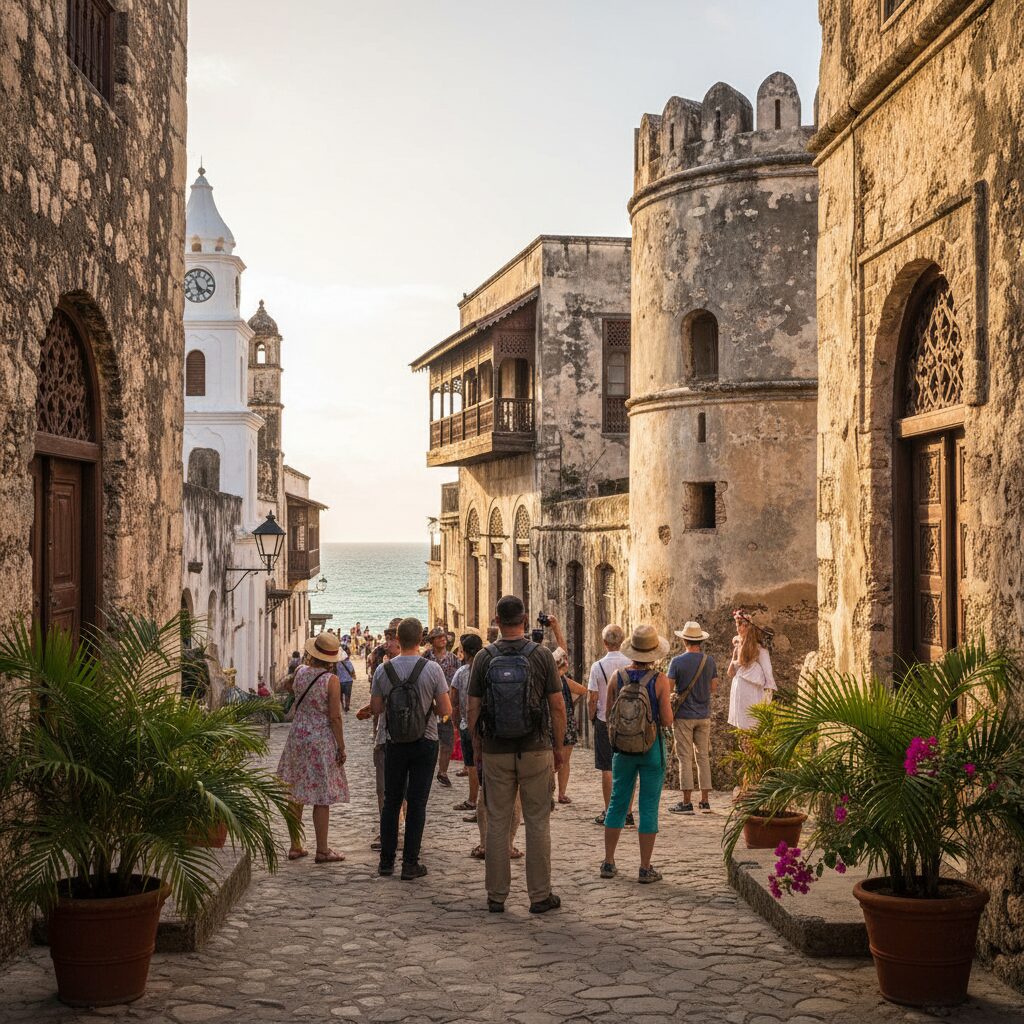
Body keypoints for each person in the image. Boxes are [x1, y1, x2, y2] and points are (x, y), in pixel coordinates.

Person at [468, 594, 565, 915]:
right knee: (537, 822)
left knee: (497, 820)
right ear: (524, 620)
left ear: (497, 621)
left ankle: (496, 895)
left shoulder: (483, 657)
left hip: (496, 750)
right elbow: (557, 705)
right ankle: (539, 896)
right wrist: (559, 748)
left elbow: (472, 709)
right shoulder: (541, 656)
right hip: (535, 749)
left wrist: (478, 748)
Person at [370, 616, 452, 880]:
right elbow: (446, 710)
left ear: (398, 639)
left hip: (393, 741)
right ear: (421, 640)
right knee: (417, 803)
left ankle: (386, 862)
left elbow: (376, 708)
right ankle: (410, 864)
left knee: (392, 801)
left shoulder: (384, 670)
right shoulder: (432, 669)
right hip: (425, 741)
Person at [601, 624, 673, 884]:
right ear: (654, 653)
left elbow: (609, 714)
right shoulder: (660, 680)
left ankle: (609, 862)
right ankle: (645, 868)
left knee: (617, 803)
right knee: (649, 806)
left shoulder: (616, 677)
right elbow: (666, 720)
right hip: (651, 749)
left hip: (623, 750)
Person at [276, 631, 349, 864]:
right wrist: (341, 746)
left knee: (295, 791)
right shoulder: (331, 680)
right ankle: (322, 849)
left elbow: (286, 687)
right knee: (321, 795)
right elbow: (335, 717)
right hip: (320, 741)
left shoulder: (299, 672)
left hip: (298, 736)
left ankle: (295, 845)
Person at [668, 620, 719, 814]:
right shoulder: (709, 661)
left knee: (684, 757)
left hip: (683, 715)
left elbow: (669, 687)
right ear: (700, 641)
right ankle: (705, 801)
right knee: (703, 756)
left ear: (684, 641)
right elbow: (713, 688)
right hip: (703, 714)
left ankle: (686, 802)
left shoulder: (677, 662)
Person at [587, 624, 632, 826]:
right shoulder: (631, 663)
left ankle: (610, 811)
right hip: (628, 721)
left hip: (605, 720)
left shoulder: (598, 666)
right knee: (629, 766)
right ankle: (628, 812)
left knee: (607, 767)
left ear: (604, 643)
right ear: (622, 641)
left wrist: (592, 716)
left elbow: (592, 697)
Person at [727, 609, 776, 729]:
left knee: (753, 725)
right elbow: (730, 673)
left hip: (753, 694)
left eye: (740, 626)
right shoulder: (738, 649)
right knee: (742, 727)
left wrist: (767, 698)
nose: (738, 629)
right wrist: (734, 656)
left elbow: (768, 675)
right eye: (736, 626)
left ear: (747, 627)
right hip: (739, 693)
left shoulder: (759, 650)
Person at [423, 626, 460, 788]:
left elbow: (457, 682)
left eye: (444, 637)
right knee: (428, 738)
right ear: (432, 642)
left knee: (447, 739)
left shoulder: (453, 659)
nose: (443, 639)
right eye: (438, 637)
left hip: (446, 704)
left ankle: (443, 772)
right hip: (428, 704)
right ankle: (427, 770)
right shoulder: (425, 658)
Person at [551, 647, 588, 804]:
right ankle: (561, 794)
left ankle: (549, 794)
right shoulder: (564, 681)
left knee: (551, 762)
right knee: (564, 762)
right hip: (567, 723)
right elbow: (582, 690)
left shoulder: (550, 680)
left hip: (551, 723)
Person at [450, 633, 481, 814]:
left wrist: (455, 722)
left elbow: (453, 701)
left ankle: (472, 800)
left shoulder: (461, 673)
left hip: (466, 725)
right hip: (486, 726)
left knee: (471, 764)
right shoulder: (487, 669)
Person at [335, 645, 356, 712]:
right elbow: (352, 671)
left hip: (339, 681)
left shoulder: (336, 663)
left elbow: (335, 672)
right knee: (347, 695)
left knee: (340, 695)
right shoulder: (348, 662)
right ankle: (347, 706)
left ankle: (342, 706)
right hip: (348, 681)